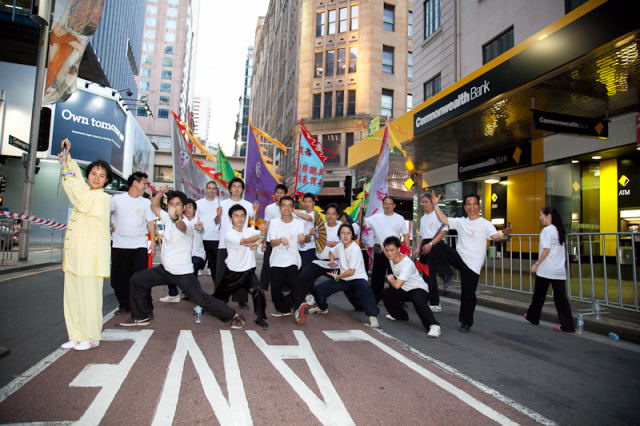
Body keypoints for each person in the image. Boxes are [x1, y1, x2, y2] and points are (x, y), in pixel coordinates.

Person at [121, 187, 244, 329]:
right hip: (165, 269)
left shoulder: (188, 223)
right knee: (138, 281)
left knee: (201, 299)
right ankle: (142, 316)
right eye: (171, 204)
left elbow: (181, 227)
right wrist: (161, 192)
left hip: (182, 273)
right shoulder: (166, 217)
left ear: (184, 207)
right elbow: (154, 205)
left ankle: (233, 315)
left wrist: (175, 218)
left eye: (178, 204)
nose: (174, 207)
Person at [430, 191, 512, 333]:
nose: (471, 207)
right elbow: (444, 220)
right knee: (436, 244)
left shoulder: (485, 224)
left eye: (474, 204)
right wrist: (436, 205)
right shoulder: (461, 222)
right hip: (460, 257)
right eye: (468, 204)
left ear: (478, 206)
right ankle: (447, 272)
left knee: (468, 295)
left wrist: (504, 234)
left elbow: (495, 237)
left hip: (473, 265)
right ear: (465, 206)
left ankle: (466, 322)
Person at [58, 138, 112, 351]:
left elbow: (76, 192)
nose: (96, 178)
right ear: (88, 175)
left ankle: (91, 337)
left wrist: (67, 167)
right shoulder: (87, 193)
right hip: (74, 258)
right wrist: (67, 159)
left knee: (89, 299)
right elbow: (78, 187)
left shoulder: (101, 199)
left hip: (90, 260)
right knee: (71, 298)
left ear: (107, 180)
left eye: (101, 176)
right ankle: (76, 335)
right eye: (93, 174)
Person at [308, 224, 380, 328]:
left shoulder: (355, 249)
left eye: (348, 233)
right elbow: (331, 252)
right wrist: (332, 261)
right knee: (318, 290)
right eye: (343, 233)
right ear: (339, 235)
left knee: (366, 290)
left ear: (352, 235)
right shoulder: (339, 245)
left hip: (357, 278)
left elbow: (351, 272)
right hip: (343, 278)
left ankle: (373, 317)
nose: (345, 236)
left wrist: (338, 277)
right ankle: (322, 308)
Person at [213, 204, 269, 329]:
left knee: (258, 290)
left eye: (243, 216)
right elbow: (245, 241)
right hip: (233, 273)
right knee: (217, 299)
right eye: (236, 216)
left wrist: (261, 238)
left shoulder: (250, 229)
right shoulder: (229, 234)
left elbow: (261, 235)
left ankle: (260, 318)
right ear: (230, 218)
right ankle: (205, 304)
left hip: (248, 271)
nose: (240, 219)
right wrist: (259, 237)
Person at [110, 172, 156, 315]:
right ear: (135, 183)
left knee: (143, 278)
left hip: (139, 246)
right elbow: (104, 214)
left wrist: (153, 242)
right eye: (144, 183)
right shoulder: (117, 199)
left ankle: (146, 308)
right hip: (119, 245)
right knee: (119, 280)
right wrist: (109, 226)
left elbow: (150, 223)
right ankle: (125, 305)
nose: (145, 186)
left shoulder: (146, 202)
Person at [525, 207, 575, 332]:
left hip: (546, 269)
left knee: (538, 295)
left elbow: (546, 250)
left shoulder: (547, 230)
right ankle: (568, 325)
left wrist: (536, 264)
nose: (539, 217)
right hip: (558, 270)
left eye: (541, 215)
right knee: (561, 299)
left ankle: (533, 317)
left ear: (548, 216)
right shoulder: (559, 230)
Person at [382, 236, 441, 338]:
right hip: (405, 289)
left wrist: (391, 279)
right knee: (386, 293)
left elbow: (396, 285)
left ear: (399, 249)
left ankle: (434, 325)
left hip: (419, 289)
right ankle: (400, 316)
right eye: (387, 250)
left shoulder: (407, 263)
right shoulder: (391, 260)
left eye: (392, 250)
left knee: (418, 300)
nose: (389, 253)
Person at [294, 204, 342, 322]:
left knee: (346, 285)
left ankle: (360, 306)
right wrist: (310, 234)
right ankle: (297, 305)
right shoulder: (320, 227)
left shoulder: (342, 227)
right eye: (328, 213)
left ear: (337, 216)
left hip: (336, 264)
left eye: (333, 214)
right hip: (319, 262)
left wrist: (334, 244)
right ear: (325, 215)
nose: (330, 216)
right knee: (303, 277)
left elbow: (348, 241)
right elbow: (307, 240)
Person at [215, 177, 257, 309]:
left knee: (243, 272)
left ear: (242, 190)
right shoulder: (222, 203)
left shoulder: (249, 205)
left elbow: (252, 223)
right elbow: (216, 222)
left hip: (243, 244)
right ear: (230, 189)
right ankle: (220, 299)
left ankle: (241, 300)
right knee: (222, 273)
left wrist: (255, 211)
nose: (237, 188)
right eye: (234, 186)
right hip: (225, 243)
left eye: (239, 186)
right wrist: (218, 215)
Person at [363, 196, 410, 303]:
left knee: (395, 276)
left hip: (396, 253)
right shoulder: (376, 217)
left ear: (394, 205)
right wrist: (362, 210)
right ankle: (374, 299)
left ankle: (396, 299)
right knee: (377, 276)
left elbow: (406, 235)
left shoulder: (400, 218)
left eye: (390, 204)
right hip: (380, 250)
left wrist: (407, 252)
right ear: (382, 205)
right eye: (385, 203)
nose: (387, 206)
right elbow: (363, 223)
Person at [267, 196, 306, 317]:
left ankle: (299, 309)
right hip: (277, 259)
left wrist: (303, 238)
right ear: (280, 207)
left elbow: (303, 239)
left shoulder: (299, 224)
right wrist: (280, 240)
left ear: (293, 207)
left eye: (290, 205)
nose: (287, 208)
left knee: (295, 283)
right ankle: (284, 309)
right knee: (275, 289)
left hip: (292, 257)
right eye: (284, 205)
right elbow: (272, 242)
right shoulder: (274, 223)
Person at [161, 198, 206, 302]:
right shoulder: (180, 222)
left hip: (197, 255)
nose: (188, 210)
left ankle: (198, 298)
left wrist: (199, 228)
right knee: (169, 269)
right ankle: (173, 294)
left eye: (191, 207)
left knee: (190, 272)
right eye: (187, 207)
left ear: (194, 210)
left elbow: (201, 230)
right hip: (183, 256)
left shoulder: (198, 221)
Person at [415, 192, 453, 312]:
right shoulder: (422, 218)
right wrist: (417, 248)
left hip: (435, 244)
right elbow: (421, 235)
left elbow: (443, 232)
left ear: (432, 202)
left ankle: (446, 273)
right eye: (422, 202)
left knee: (430, 274)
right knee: (427, 276)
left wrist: (431, 244)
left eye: (426, 202)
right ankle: (432, 301)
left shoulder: (438, 215)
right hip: (425, 245)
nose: (424, 204)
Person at [260, 184, 288, 290]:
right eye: (278, 192)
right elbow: (267, 224)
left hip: (283, 241)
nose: (279, 194)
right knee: (267, 263)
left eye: (282, 192)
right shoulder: (269, 208)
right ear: (275, 194)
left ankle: (283, 286)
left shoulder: (289, 208)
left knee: (283, 264)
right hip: (270, 240)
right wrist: (263, 241)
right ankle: (263, 286)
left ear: (285, 194)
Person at [196, 181, 221, 279]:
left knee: (215, 268)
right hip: (201, 239)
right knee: (195, 265)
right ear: (205, 190)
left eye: (213, 188)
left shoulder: (220, 203)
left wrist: (218, 215)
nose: (211, 190)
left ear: (216, 191)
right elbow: (195, 220)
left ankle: (218, 292)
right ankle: (190, 291)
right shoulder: (198, 203)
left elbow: (217, 221)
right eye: (209, 188)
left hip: (215, 239)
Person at [297, 193, 318, 270]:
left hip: (310, 247)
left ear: (314, 203)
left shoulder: (316, 214)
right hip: (299, 247)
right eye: (305, 201)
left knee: (306, 272)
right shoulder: (301, 212)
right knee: (299, 271)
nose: (307, 204)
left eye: (309, 201)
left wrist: (293, 210)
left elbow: (308, 218)